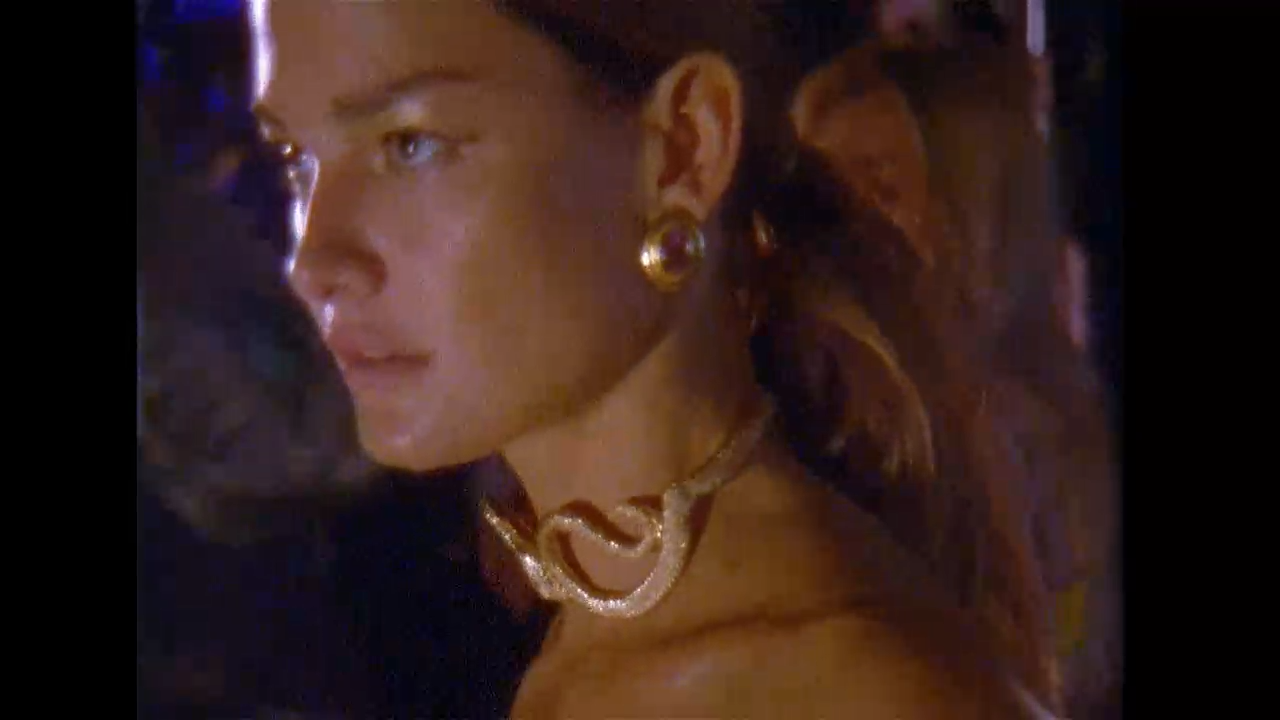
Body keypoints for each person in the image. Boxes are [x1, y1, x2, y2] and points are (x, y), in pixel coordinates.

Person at [246, 0, 1117, 717]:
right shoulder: (590, 635)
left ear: (681, 150)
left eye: (410, 145)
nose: (314, 260)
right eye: (296, 160)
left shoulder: (859, 688)